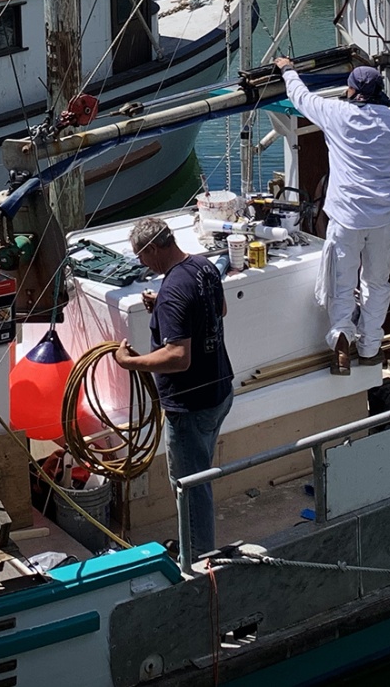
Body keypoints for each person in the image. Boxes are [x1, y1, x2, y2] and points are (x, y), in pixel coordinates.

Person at [275, 58, 390, 374]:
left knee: (342, 283)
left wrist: (287, 69)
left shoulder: (336, 113)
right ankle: (370, 349)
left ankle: (341, 343)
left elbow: (300, 96)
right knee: (376, 283)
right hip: (382, 222)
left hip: (345, 220)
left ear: (352, 91)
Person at [112, 215, 234, 557]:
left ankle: (198, 559)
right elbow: (218, 309)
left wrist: (129, 363)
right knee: (200, 476)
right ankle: (197, 547)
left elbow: (179, 357)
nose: (141, 263)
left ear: (153, 248)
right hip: (220, 392)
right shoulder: (204, 267)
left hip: (191, 406)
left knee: (190, 487)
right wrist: (165, 310)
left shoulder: (173, 293)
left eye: (141, 256)